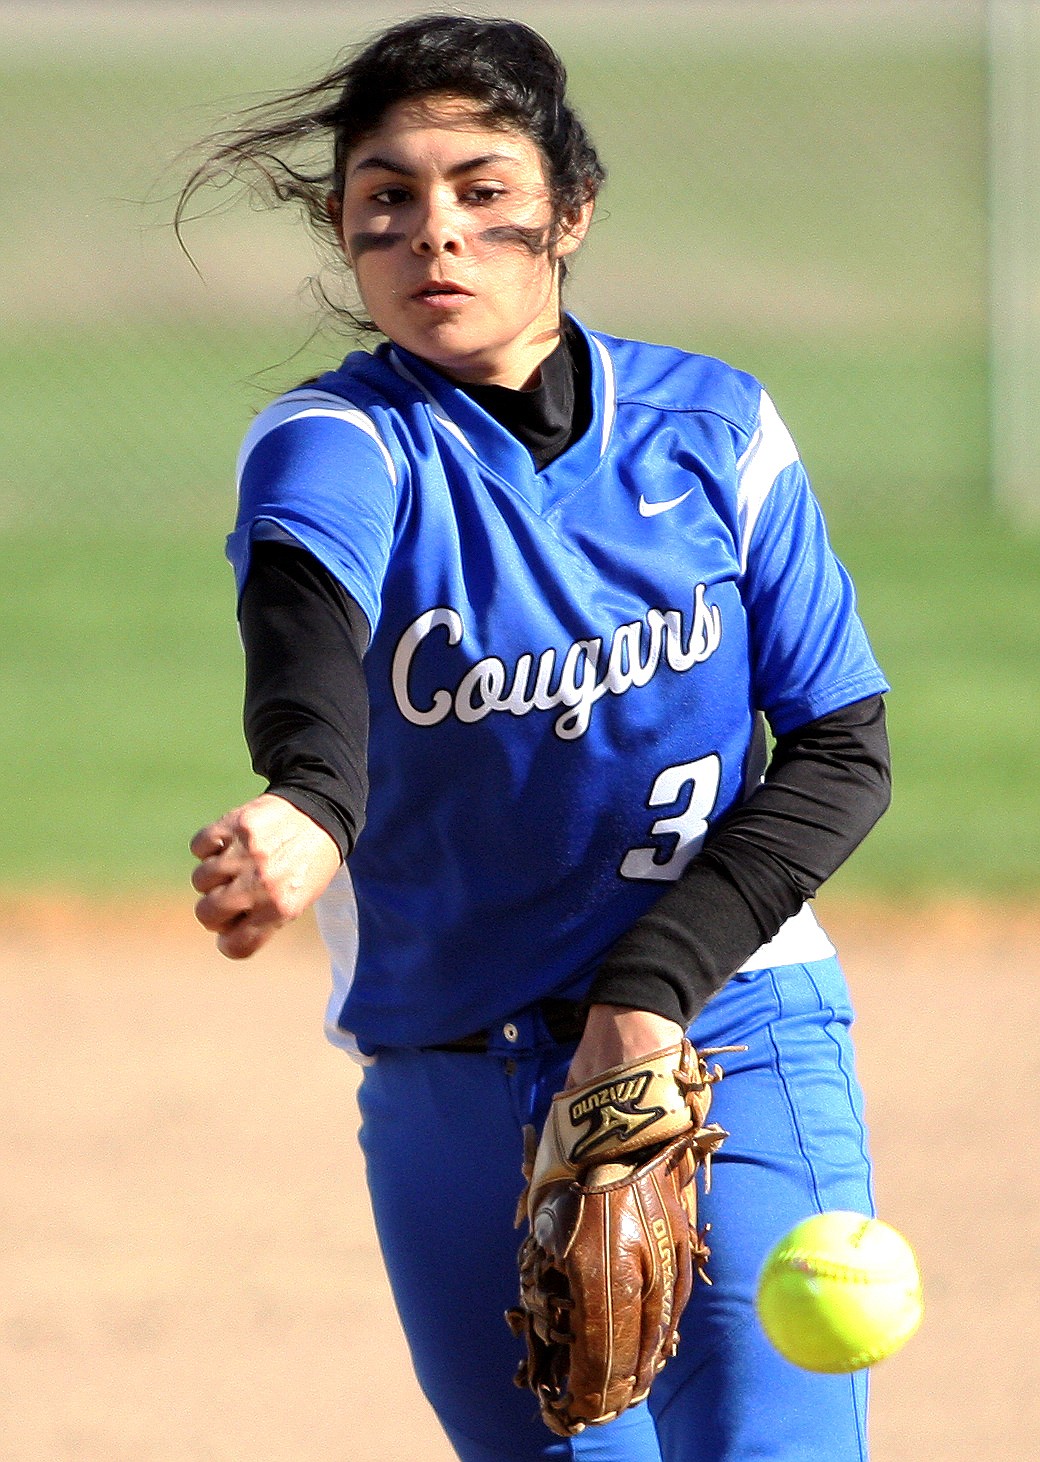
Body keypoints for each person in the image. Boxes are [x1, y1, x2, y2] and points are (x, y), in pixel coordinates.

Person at [185, 14, 891, 1461]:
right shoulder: (338, 441)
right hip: (467, 1065)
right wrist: (312, 804)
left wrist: (648, 992)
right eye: (387, 197)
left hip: (733, 1025)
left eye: (481, 189)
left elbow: (840, 746)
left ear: (569, 210)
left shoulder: (715, 427)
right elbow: (308, 626)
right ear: (344, 228)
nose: (434, 233)